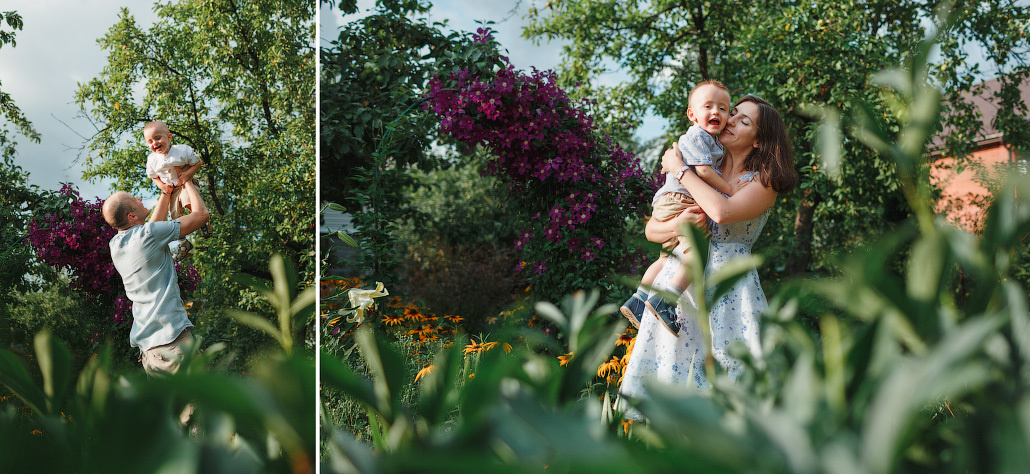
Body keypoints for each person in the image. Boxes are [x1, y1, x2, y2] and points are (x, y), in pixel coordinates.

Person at [618, 95, 798, 405]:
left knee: (728, 380)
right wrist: (679, 225)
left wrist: (679, 168)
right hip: (678, 285)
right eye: (735, 114)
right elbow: (651, 231)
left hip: (728, 289)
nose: (729, 120)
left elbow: (722, 213)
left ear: (759, 140)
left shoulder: (762, 182)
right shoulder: (705, 163)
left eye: (744, 121)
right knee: (672, 376)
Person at [621, 80, 735, 335]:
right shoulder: (698, 136)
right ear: (692, 114)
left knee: (665, 258)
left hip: (669, 200)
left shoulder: (713, 143)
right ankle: (666, 299)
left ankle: (639, 299)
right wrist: (729, 190)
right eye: (708, 106)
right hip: (679, 199)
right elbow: (703, 171)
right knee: (698, 252)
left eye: (723, 108)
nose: (716, 112)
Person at [102, 179, 211, 376]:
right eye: (135, 200)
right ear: (132, 215)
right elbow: (201, 216)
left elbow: (150, 229)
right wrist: (187, 181)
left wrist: (166, 194)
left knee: (168, 408)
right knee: (198, 405)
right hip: (174, 344)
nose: (140, 198)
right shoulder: (149, 236)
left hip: (150, 354)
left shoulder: (116, 245)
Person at [143, 120, 209, 260]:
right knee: (175, 216)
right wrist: (162, 186)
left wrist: (187, 174)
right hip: (172, 191)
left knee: (187, 201)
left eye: (158, 138)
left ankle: (203, 221)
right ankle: (183, 243)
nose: (154, 143)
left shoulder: (182, 151)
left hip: (185, 185)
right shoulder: (152, 160)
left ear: (169, 137)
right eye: (150, 141)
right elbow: (153, 176)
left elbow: (198, 163)